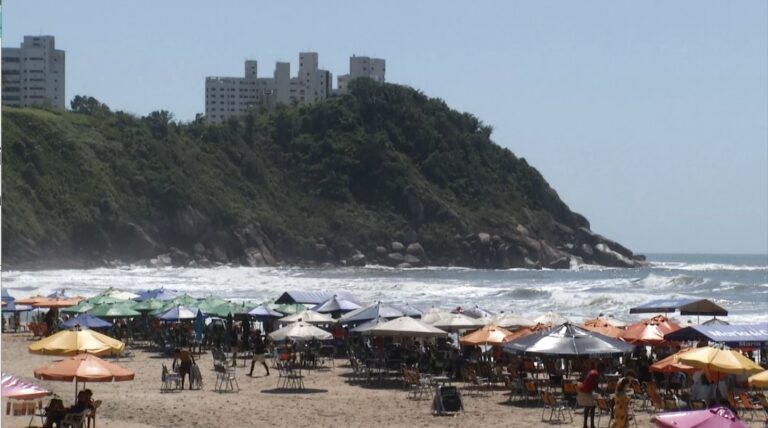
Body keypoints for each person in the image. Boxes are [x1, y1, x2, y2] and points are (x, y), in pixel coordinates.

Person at [577, 363, 601, 428]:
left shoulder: (592, 372)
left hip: (582, 390)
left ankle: (585, 425)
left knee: (587, 407)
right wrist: (603, 392)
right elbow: (596, 386)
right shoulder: (596, 374)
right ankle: (592, 425)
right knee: (592, 407)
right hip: (586, 391)